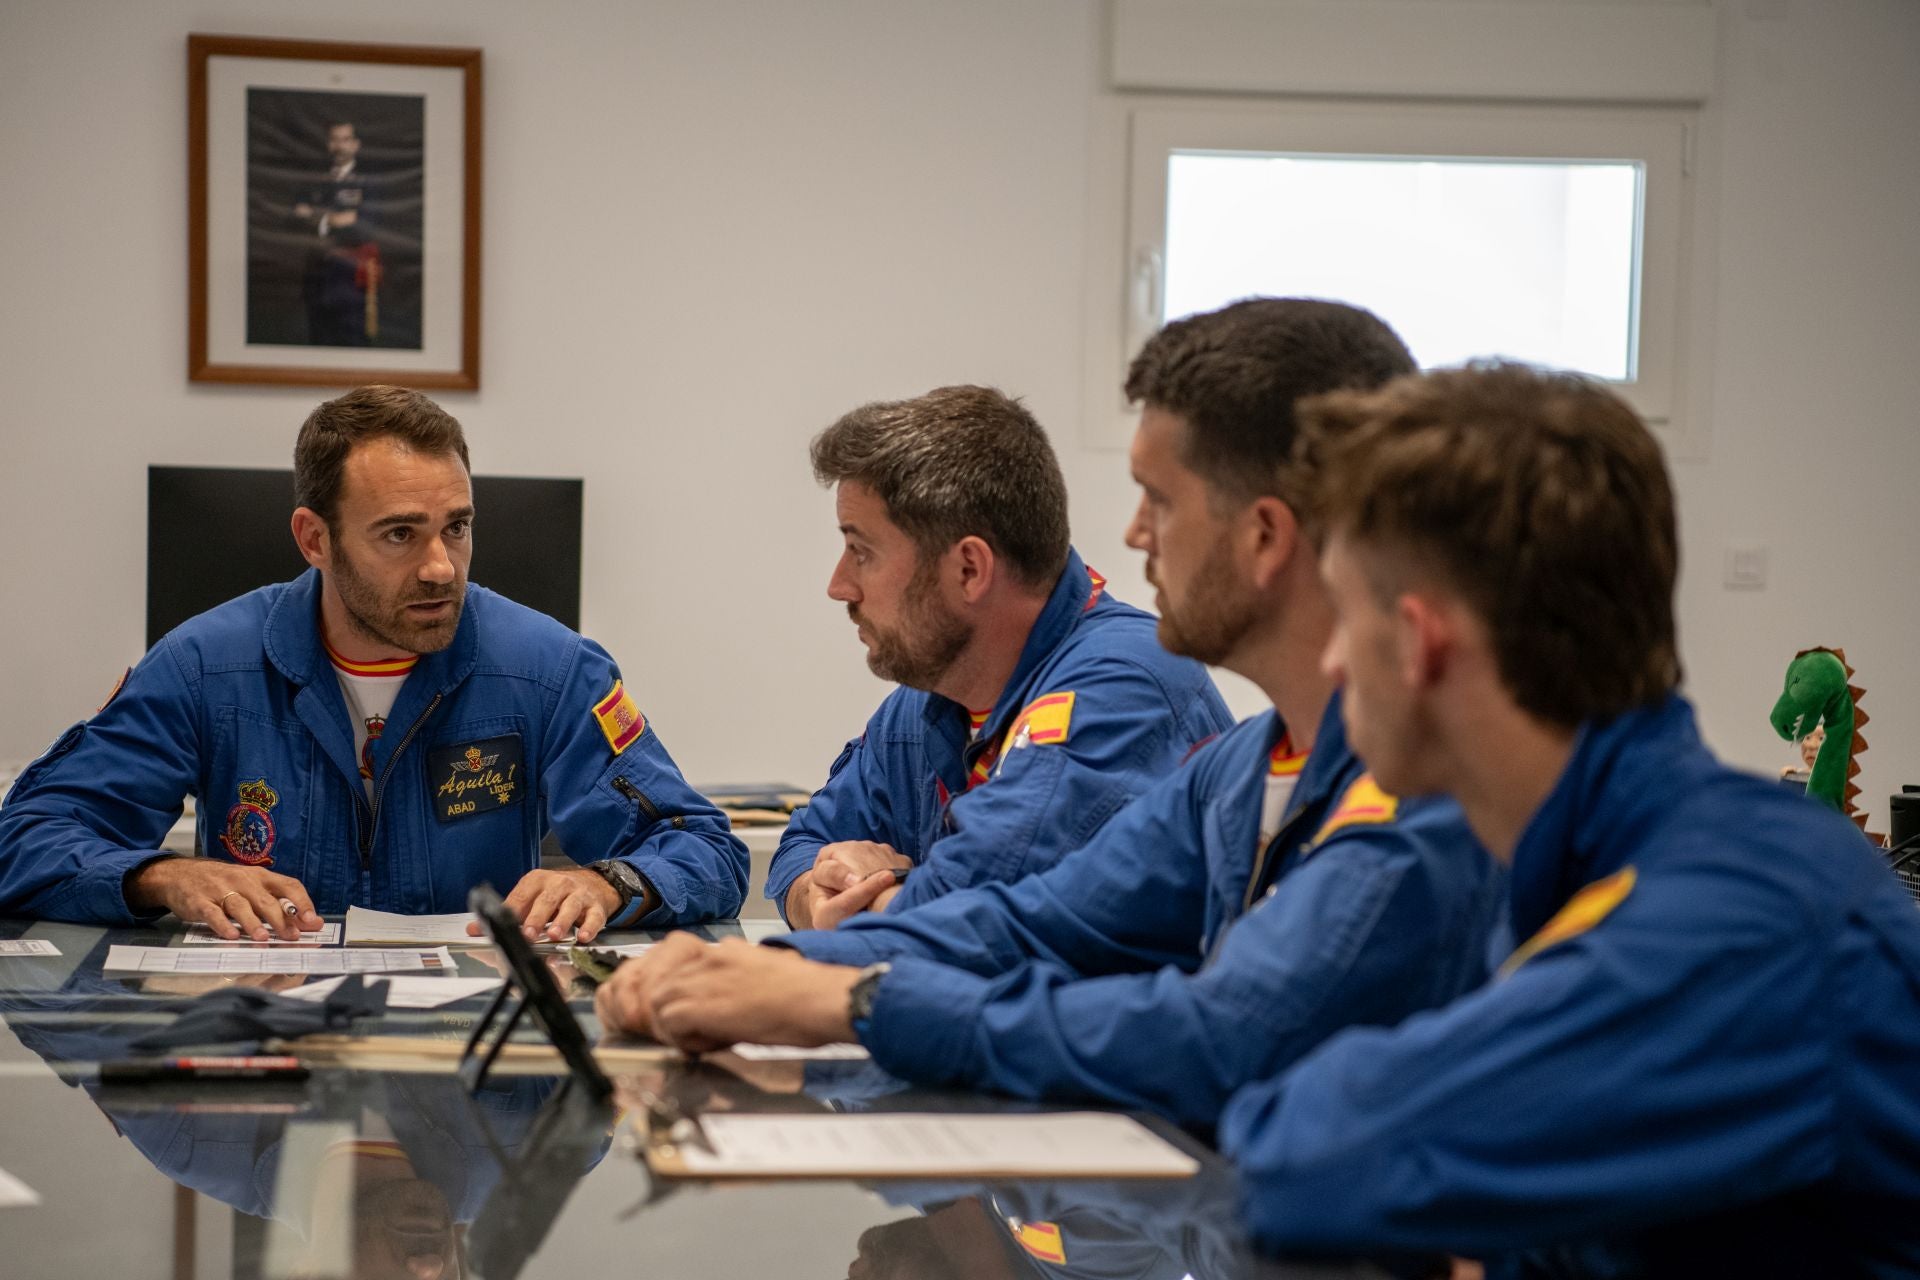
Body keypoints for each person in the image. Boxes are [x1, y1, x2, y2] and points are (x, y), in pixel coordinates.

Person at [597, 300, 1504, 1131]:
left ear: (1264, 536)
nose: (1137, 534)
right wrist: (786, 971)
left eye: (1160, 500)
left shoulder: (1418, 795)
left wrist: (853, 998)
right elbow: (1036, 920)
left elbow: (1214, 1036)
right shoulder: (1252, 766)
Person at [1218, 362, 1920, 1273]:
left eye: (1345, 616)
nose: (1335, 660)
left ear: (1423, 642)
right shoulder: (1581, 858)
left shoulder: (1742, 922)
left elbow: (1307, 1163)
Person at [0, 385, 746, 942]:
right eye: (399, 534)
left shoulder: (549, 669)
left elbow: (707, 849)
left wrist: (610, 882)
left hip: (472, 1082)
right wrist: (162, 876)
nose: (440, 568)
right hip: (264, 1071)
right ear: (314, 539)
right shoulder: (205, 666)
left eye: (457, 528)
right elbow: (27, 837)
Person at [765, 384, 1231, 929]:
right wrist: (817, 900)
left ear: (969, 569)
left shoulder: (1125, 682)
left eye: (861, 551)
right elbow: (806, 843)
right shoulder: (929, 699)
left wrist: (879, 893)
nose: (839, 586)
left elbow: (985, 913)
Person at [292, 121, 379, 347]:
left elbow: (363, 225)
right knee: (318, 339)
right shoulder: (315, 178)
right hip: (317, 274)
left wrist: (318, 216)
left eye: (345, 140)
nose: (339, 145)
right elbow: (297, 215)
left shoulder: (368, 181)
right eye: (334, 140)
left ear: (356, 144)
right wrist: (335, 218)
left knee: (352, 340)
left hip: (351, 277)